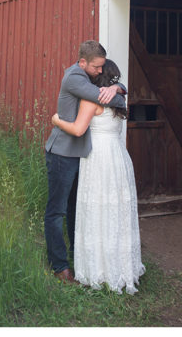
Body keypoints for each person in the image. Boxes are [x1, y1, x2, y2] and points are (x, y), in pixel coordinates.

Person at [51, 59, 144, 293]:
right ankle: (119, 268)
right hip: (118, 158)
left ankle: (97, 268)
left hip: (98, 159)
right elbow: (121, 89)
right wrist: (118, 87)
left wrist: (57, 120)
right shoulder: (119, 101)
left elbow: (78, 129)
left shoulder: (91, 100)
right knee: (116, 212)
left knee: (96, 211)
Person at [43, 40, 125, 283]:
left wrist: (118, 86)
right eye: (97, 67)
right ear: (82, 63)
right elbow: (108, 100)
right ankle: (60, 266)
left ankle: (80, 260)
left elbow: (110, 92)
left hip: (80, 155)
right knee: (56, 211)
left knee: (75, 209)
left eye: (102, 68)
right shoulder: (74, 78)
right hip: (62, 153)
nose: (100, 71)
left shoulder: (88, 76)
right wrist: (117, 94)